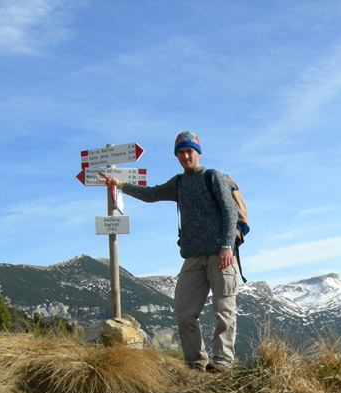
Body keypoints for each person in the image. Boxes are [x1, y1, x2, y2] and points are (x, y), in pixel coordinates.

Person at [97, 131, 238, 372]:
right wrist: (118, 184)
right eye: (180, 152)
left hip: (219, 254)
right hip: (193, 257)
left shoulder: (212, 177)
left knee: (223, 310)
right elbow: (151, 194)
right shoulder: (179, 183)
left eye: (189, 151)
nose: (185, 156)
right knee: (184, 312)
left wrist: (227, 246)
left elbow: (230, 212)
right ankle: (195, 362)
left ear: (198, 152)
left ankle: (222, 362)